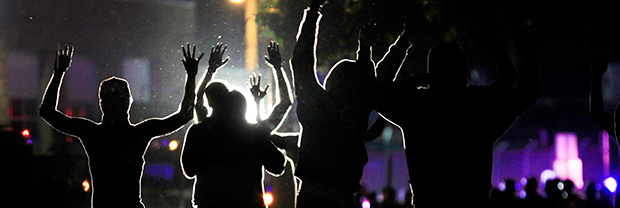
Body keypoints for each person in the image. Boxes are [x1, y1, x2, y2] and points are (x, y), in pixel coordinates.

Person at [375, 29, 541, 207]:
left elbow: (376, 93)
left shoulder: (417, 106)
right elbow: (528, 92)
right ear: (463, 69)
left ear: (431, 73)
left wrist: (404, 43)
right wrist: (526, 52)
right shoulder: (479, 105)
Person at [39, 44, 198, 208]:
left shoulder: (93, 134)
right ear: (128, 102)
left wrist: (59, 73)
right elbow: (184, 115)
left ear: (102, 104)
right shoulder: (138, 134)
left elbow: (47, 112)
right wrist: (191, 75)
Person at [290, 0, 389, 207]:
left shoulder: (315, 104)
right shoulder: (359, 112)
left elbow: (301, 60)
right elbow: (367, 84)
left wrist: (313, 12)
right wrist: (365, 49)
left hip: (311, 197)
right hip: (344, 199)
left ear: (330, 82)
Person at [181, 41, 292, 208]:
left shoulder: (202, 130)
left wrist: (207, 71)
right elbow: (278, 165)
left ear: (214, 105)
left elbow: (189, 170)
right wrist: (278, 69)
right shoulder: (255, 133)